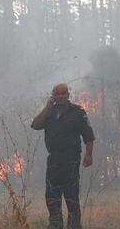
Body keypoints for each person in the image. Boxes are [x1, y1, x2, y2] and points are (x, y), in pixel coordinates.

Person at [31, 83, 95, 229]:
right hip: (54, 159)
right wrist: (47, 107)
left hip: (71, 159)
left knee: (71, 195)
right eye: (57, 94)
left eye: (63, 93)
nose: (60, 96)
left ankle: (74, 225)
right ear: (53, 95)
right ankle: (55, 224)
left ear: (68, 95)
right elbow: (35, 125)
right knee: (52, 194)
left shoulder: (78, 112)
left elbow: (89, 135)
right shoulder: (49, 112)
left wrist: (89, 155)